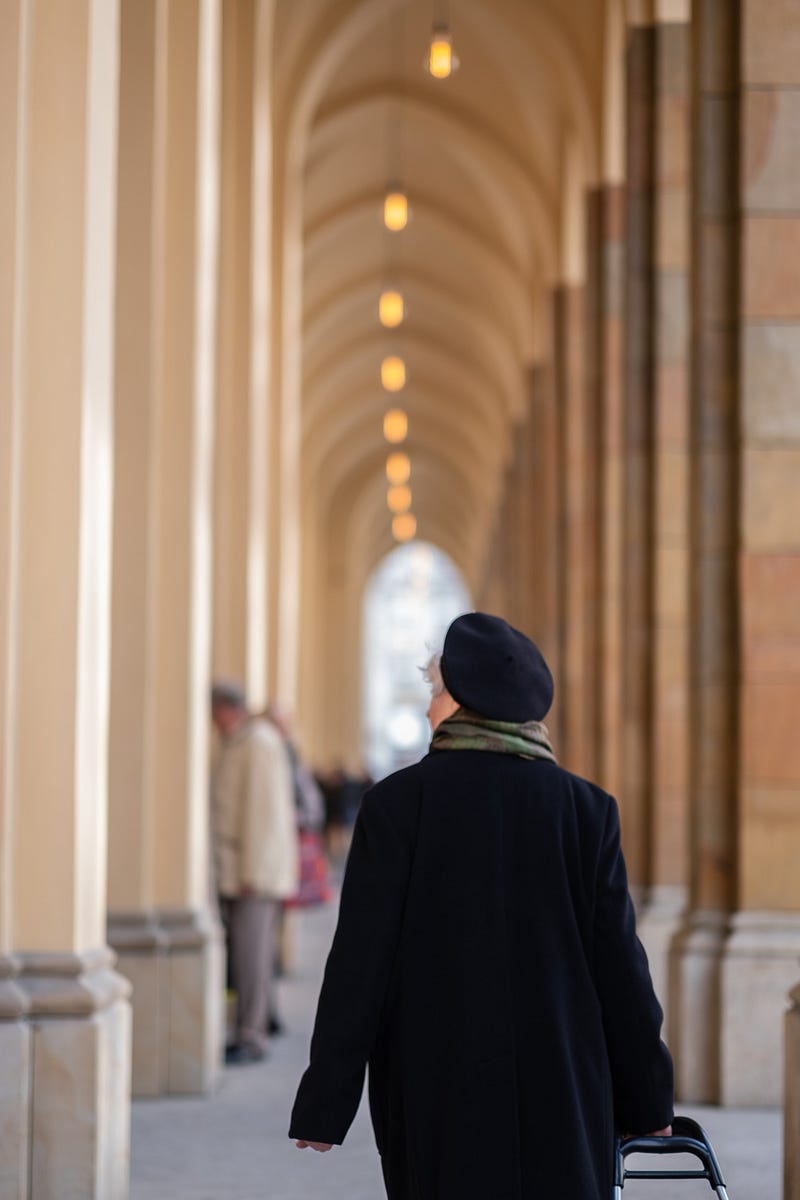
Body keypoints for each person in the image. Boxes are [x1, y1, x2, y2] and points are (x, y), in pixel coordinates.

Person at [289, 612, 673, 1198]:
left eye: (435, 693)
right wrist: (648, 1097)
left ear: (461, 701)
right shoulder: (586, 811)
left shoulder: (396, 806)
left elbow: (359, 966)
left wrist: (326, 1102)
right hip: (564, 1086)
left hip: (437, 1086)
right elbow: (621, 967)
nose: (428, 710)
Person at [210, 680, 299, 1064]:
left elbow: (263, 813)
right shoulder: (244, 741)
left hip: (252, 876)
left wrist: (253, 872)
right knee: (253, 956)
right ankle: (261, 1021)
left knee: (251, 958)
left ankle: (251, 1036)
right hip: (243, 870)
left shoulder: (256, 743)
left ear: (225, 710)